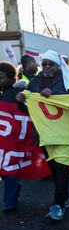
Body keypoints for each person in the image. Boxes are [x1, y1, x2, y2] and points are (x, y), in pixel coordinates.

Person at [16, 50, 69, 221]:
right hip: (43, 133)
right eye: (43, 64)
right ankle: (64, 197)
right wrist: (21, 99)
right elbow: (26, 108)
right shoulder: (35, 81)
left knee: (61, 168)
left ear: (58, 67)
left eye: (50, 64)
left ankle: (58, 205)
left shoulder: (68, 81)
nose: (46, 67)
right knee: (53, 168)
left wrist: (54, 95)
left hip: (63, 132)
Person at [0, 62, 27, 213]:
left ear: (10, 78)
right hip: (1, 138)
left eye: (1, 77)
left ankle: (10, 203)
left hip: (14, 139)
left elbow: (27, 109)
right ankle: (14, 187)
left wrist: (22, 96)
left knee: (9, 170)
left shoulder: (18, 90)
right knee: (4, 172)